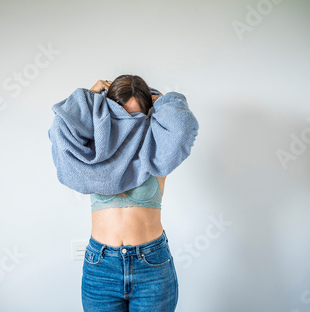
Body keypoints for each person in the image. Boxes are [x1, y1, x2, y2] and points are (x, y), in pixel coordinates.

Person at [48, 75, 199, 311]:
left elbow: (181, 127)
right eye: (120, 119)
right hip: (101, 266)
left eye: (135, 119)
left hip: (151, 265)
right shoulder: (93, 155)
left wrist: (155, 97)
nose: (128, 127)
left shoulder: (156, 150)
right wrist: (89, 96)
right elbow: (61, 132)